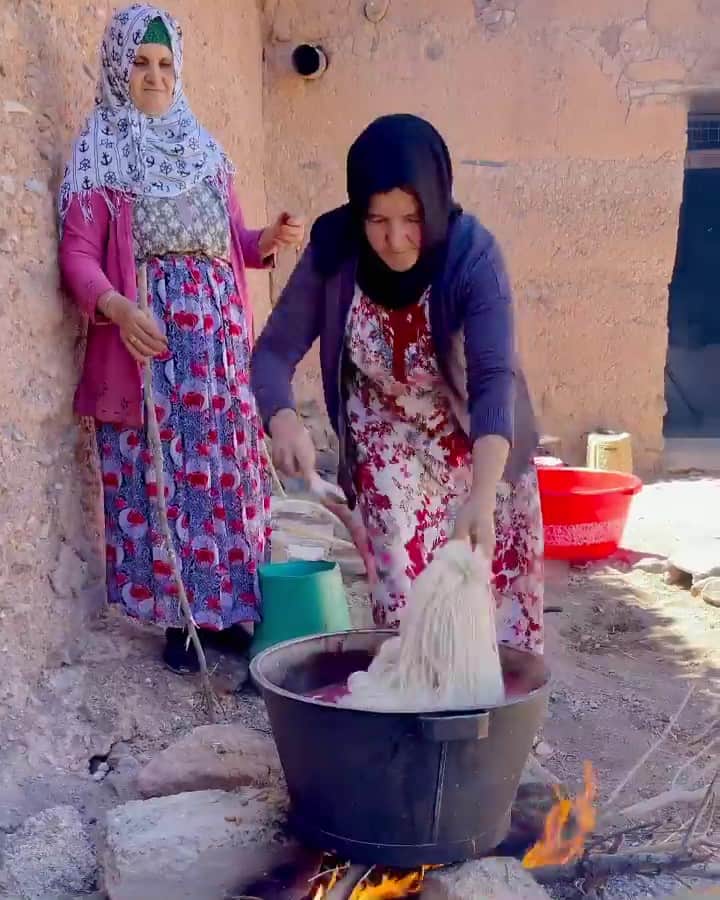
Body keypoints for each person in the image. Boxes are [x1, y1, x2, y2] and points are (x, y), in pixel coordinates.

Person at [58, 4, 304, 673]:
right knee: (163, 477)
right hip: (153, 350)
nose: (154, 76)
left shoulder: (203, 148)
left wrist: (267, 244)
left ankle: (229, 611)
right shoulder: (101, 150)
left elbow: (232, 240)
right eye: (140, 62)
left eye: (165, 64)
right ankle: (180, 619)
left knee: (226, 477)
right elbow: (78, 253)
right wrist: (113, 304)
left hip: (220, 350)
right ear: (117, 67)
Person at [251, 114, 543, 653]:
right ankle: (411, 726)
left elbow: (493, 380)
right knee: (406, 611)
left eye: (411, 218)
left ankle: (488, 732)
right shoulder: (335, 251)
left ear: (434, 202)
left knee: (489, 617)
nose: (395, 238)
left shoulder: (472, 256)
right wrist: (283, 417)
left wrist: (480, 496)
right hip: (385, 444)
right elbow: (271, 352)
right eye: (377, 219)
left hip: (479, 447)